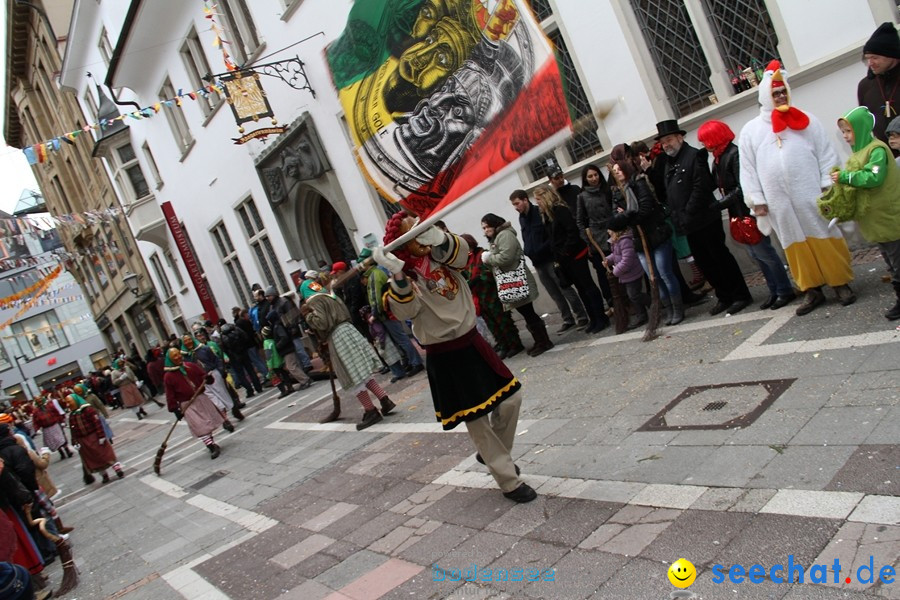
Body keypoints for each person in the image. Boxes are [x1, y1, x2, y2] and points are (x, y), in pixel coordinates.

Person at [375, 212, 536, 503]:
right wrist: (397, 274)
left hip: (472, 341)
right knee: (477, 421)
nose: (420, 236)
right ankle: (508, 481)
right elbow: (405, 312)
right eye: (413, 233)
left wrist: (439, 238)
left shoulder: (442, 255)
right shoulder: (404, 278)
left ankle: (492, 454)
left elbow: (465, 255)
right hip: (445, 353)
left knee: (512, 399)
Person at [740, 60, 855, 315]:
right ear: (765, 97)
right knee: (793, 245)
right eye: (775, 93)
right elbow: (747, 168)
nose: (780, 96)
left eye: (783, 92)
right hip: (779, 202)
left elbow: (827, 154)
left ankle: (840, 283)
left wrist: (828, 183)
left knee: (825, 236)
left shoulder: (808, 121)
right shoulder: (751, 131)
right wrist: (756, 199)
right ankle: (811, 290)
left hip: (811, 194)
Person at [655, 119, 753, 316]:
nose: (667, 144)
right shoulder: (668, 162)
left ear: (680, 137)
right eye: (663, 142)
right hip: (688, 224)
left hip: (704, 219)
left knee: (720, 258)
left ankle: (740, 295)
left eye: (670, 139)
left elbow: (701, 187)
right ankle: (724, 296)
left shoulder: (695, 155)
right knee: (705, 263)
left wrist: (688, 211)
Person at [697, 120, 796, 310]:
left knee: (764, 253)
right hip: (738, 213)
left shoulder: (734, 155)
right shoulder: (717, 160)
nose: (703, 145)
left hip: (748, 211)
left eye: (705, 140)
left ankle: (784, 290)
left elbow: (741, 188)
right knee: (756, 255)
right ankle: (775, 290)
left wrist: (720, 204)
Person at [830, 106, 900, 320]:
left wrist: (846, 178)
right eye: (843, 132)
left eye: (848, 131)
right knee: (890, 260)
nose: (845, 136)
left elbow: (873, 177)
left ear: (860, 128)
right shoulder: (859, 152)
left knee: (897, 261)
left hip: (888, 216)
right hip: (874, 219)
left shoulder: (876, 150)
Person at [300, 288, 396, 430]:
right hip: (349, 330)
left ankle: (370, 411)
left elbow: (323, 323)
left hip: (339, 338)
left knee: (353, 375)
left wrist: (308, 316)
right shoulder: (332, 295)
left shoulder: (315, 301)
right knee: (361, 373)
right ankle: (384, 400)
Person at [608, 144, 683, 324]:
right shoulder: (618, 192)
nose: (617, 173)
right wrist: (628, 216)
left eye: (619, 170)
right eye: (614, 171)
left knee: (665, 273)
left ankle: (678, 309)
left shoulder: (639, 183)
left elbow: (646, 209)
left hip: (655, 234)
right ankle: (667, 309)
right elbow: (614, 221)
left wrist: (627, 216)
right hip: (639, 241)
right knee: (654, 277)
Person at [533, 185, 610, 334]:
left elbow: (572, 232)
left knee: (587, 286)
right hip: (565, 258)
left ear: (545, 198)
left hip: (575, 254)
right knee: (581, 289)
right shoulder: (548, 216)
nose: (538, 204)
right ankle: (593, 318)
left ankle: (601, 317)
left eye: (538, 200)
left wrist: (564, 251)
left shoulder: (560, 210)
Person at [510, 189, 588, 333]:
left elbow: (550, 234)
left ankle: (581, 315)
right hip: (537, 262)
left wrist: (542, 249)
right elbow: (527, 236)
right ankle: (567, 318)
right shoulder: (522, 218)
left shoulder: (539, 213)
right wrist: (528, 250)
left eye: (517, 203)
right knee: (553, 292)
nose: (516, 207)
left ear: (525, 200)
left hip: (550, 258)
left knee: (564, 287)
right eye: (514, 205)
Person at [480, 213, 553, 356]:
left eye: (487, 227)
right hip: (511, 282)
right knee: (526, 313)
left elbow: (506, 257)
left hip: (517, 280)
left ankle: (544, 342)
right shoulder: (496, 237)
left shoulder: (505, 235)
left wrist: (489, 259)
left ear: (494, 224)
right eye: (483, 228)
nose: (485, 230)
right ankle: (539, 341)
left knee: (529, 313)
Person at [358, 249, 426, 380]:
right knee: (399, 340)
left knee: (402, 339)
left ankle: (416, 362)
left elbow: (376, 297)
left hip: (387, 312)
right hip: (386, 312)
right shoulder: (374, 274)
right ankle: (410, 362)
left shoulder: (375, 275)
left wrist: (374, 314)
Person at [459, 233, 523, 359]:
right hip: (480, 298)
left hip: (492, 295)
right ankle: (503, 345)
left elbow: (491, 272)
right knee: (491, 324)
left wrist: (478, 278)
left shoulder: (482, 254)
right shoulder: (466, 260)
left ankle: (515, 344)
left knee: (503, 321)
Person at [164, 348, 226, 459]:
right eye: (174, 356)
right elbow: (170, 395)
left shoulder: (190, 366)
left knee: (207, 423)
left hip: (201, 398)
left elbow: (203, 377)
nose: (178, 357)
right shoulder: (168, 376)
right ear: (170, 359)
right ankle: (211, 446)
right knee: (199, 426)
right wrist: (174, 409)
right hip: (187, 404)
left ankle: (210, 442)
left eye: (178, 354)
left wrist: (207, 378)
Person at [576, 163, 616, 308]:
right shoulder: (582, 196)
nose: (593, 178)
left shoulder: (607, 190)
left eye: (595, 175)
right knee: (603, 272)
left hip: (613, 232)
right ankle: (612, 301)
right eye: (590, 176)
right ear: (585, 179)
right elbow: (580, 220)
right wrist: (588, 241)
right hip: (596, 239)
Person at [63, 394, 124, 485]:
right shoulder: (72, 415)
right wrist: (74, 442)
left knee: (106, 454)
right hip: (83, 441)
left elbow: (96, 423)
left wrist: (101, 436)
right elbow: (73, 430)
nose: (68, 404)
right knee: (94, 459)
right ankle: (104, 475)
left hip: (94, 436)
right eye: (66, 402)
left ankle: (117, 469)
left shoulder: (88, 410)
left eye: (69, 401)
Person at [858, 22, 900, 153]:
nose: (870, 63)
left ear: (891, 55)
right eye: (867, 58)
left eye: (875, 58)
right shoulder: (865, 86)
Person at [183, 333, 242, 426]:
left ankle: (235, 410)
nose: (188, 343)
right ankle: (225, 420)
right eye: (185, 341)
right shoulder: (185, 358)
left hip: (214, 375)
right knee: (213, 401)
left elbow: (216, 360)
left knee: (224, 395)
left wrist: (222, 370)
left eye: (189, 340)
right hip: (201, 381)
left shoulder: (204, 349)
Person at [605, 222, 648, 328]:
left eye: (610, 232)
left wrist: (616, 271)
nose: (609, 234)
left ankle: (650, 302)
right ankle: (641, 315)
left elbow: (627, 260)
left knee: (634, 295)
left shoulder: (625, 241)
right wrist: (608, 260)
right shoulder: (615, 242)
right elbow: (616, 255)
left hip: (632, 272)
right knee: (633, 295)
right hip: (626, 274)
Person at [30, 397, 73, 461]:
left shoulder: (50, 406)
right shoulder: (36, 412)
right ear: (36, 402)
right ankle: (61, 453)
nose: (40, 402)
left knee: (60, 439)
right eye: (38, 401)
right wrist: (37, 429)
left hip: (55, 425)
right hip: (46, 428)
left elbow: (57, 413)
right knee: (54, 441)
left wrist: (62, 421)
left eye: (40, 400)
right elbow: (35, 422)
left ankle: (67, 450)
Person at [261, 326, 296, 398]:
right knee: (284, 374)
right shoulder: (274, 340)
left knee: (275, 378)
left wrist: (269, 365)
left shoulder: (266, 343)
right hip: (280, 360)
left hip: (273, 363)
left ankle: (283, 391)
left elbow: (268, 355)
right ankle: (290, 387)